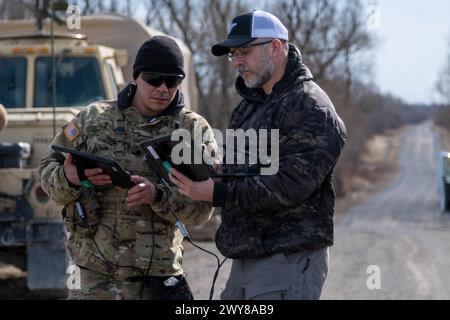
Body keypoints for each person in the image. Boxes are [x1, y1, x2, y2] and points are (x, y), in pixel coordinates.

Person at [168, 10, 347, 300]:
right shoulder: (251, 106)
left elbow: (289, 185)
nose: (237, 61)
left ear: (275, 48)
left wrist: (218, 193)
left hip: (288, 257)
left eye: (244, 51)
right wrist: (214, 170)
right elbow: (250, 169)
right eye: (233, 54)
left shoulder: (310, 107)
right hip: (249, 256)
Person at [39, 36, 216, 300]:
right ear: (136, 77)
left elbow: (203, 210)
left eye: (173, 81)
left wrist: (157, 195)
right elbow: (46, 169)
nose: (163, 89)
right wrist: (69, 177)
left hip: (158, 276)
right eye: (154, 79)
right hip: (96, 277)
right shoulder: (93, 118)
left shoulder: (192, 130)